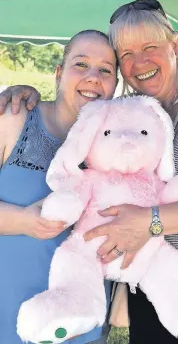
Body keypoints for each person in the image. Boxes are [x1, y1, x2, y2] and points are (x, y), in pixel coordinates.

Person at [1, 0, 178, 343]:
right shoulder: (106, 120)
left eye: (150, 47)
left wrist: (151, 220)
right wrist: (20, 93)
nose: (139, 62)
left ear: (176, 44)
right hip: (138, 301)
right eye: (126, 55)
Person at [0, 29, 117, 344]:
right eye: (81, 64)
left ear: (115, 85)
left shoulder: (120, 142)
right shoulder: (13, 117)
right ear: (58, 73)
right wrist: (24, 221)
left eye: (106, 70)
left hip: (82, 331)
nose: (93, 77)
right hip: (6, 325)